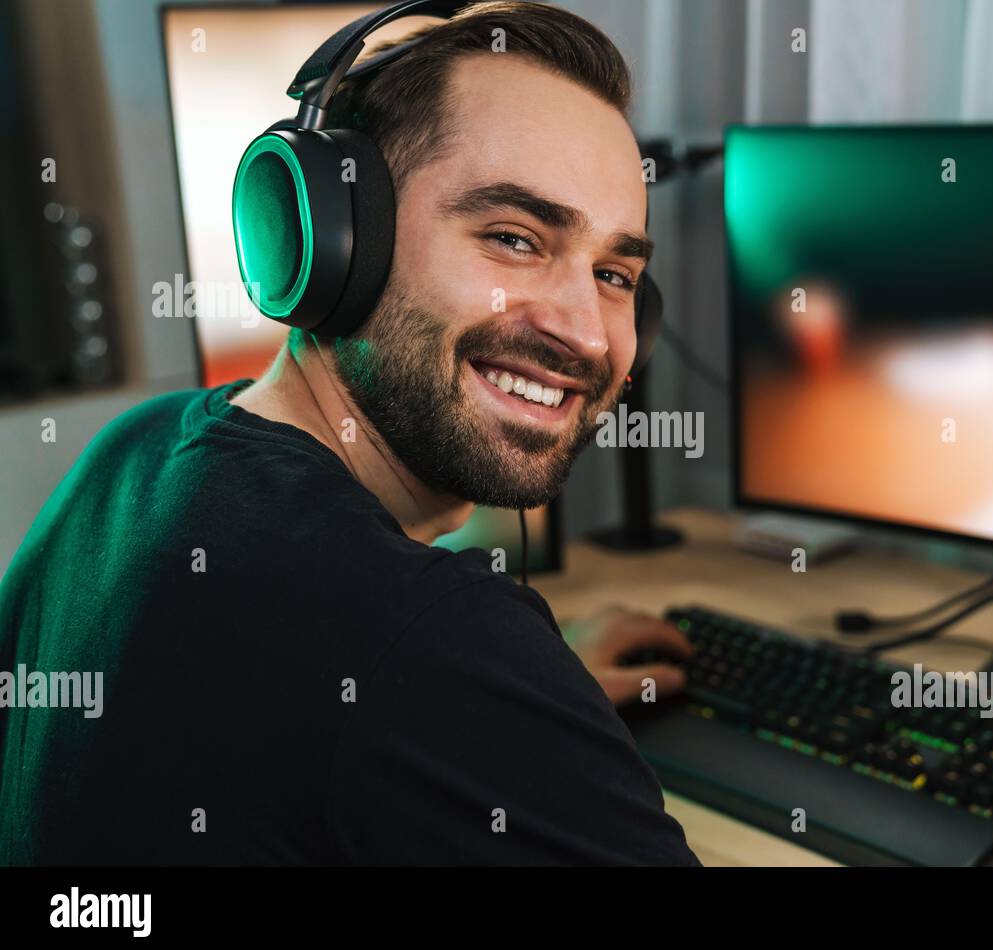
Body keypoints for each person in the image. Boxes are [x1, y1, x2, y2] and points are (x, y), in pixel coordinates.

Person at [0, 0, 700, 866]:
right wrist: (497, 696)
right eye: (515, 237)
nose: (589, 333)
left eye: (614, 273)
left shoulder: (130, 459)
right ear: (330, 239)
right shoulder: (438, 642)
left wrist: (527, 706)